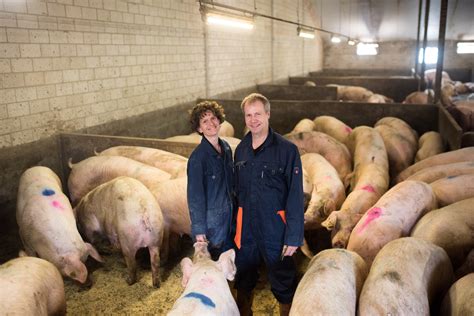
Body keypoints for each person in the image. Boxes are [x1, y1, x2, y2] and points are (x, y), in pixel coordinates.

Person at [233, 93, 304, 316]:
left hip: (275, 226)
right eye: (248, 115)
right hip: (246, 228)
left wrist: (293, 236)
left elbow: (294, 195)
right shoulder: (241, 150)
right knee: (243, 276)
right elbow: (236, 193)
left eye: (258, 114)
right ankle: (245, 311)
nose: (253, 120)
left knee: (282, 277)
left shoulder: (287, 150)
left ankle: (286, 311)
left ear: (268, 114)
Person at [186, 101, 234, 260]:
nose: (211, 123)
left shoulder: (226, 147)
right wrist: (199, 230)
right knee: (214, 262)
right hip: (211, 223)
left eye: (213, 118)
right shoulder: (197, 158)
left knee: (228, 259)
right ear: (199, 129)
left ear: (219, 120)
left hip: (229, 215)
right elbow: (195, 197)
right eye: (204, 121)